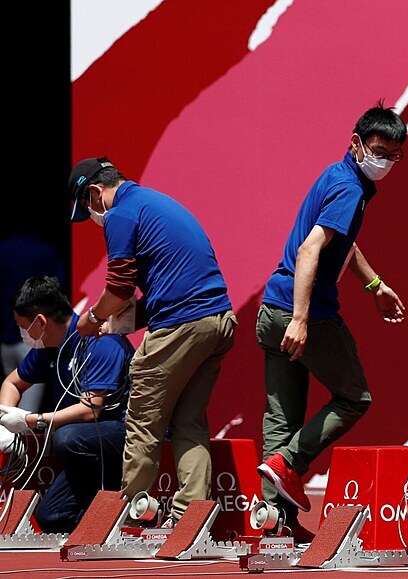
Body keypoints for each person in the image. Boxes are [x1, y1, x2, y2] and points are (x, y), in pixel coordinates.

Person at [255, 101, 407, 541]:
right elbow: (309, 251)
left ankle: (273, 522)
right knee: (354, 398)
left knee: (281, 416)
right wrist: (301, 319)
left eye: (394, 156)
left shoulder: (336, 175)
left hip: (271, 308)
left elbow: (343, 244)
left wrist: (374, 284)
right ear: (356, 143)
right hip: (303, 313)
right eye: (379, 151)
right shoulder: (349, 189)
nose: (385, 162)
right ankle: (290, 464)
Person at [69, 157, 237, 524]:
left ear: (95, 192)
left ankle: (127, 517)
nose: (93, 217)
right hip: (219, 320)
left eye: (87, 207)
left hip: (183, 324)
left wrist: (94, 318)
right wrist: (120, 321)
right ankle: (189, 520)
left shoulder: (119, 215)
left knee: (143, 420)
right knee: (188, 422)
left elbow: (119, 285)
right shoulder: (154, 202)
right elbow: (169, 280)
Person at [0, 276, 133, 532]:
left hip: (123, 434)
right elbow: (12, 384)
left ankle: (114, 507)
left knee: (67, 437)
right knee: (51, 518)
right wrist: (7, 421)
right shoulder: (48, 348)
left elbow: (90, 409)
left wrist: (32, 420)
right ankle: (101, 525)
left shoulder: (100, 340)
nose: (22, 334)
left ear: (40, 322)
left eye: (22, 326)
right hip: (84, 444)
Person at [0, 233, 68, 412]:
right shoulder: (45, 252)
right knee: (24, 409)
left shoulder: (3, 251)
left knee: (25, 413)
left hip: (7, 339)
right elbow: (11, 384)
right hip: (25, 342)